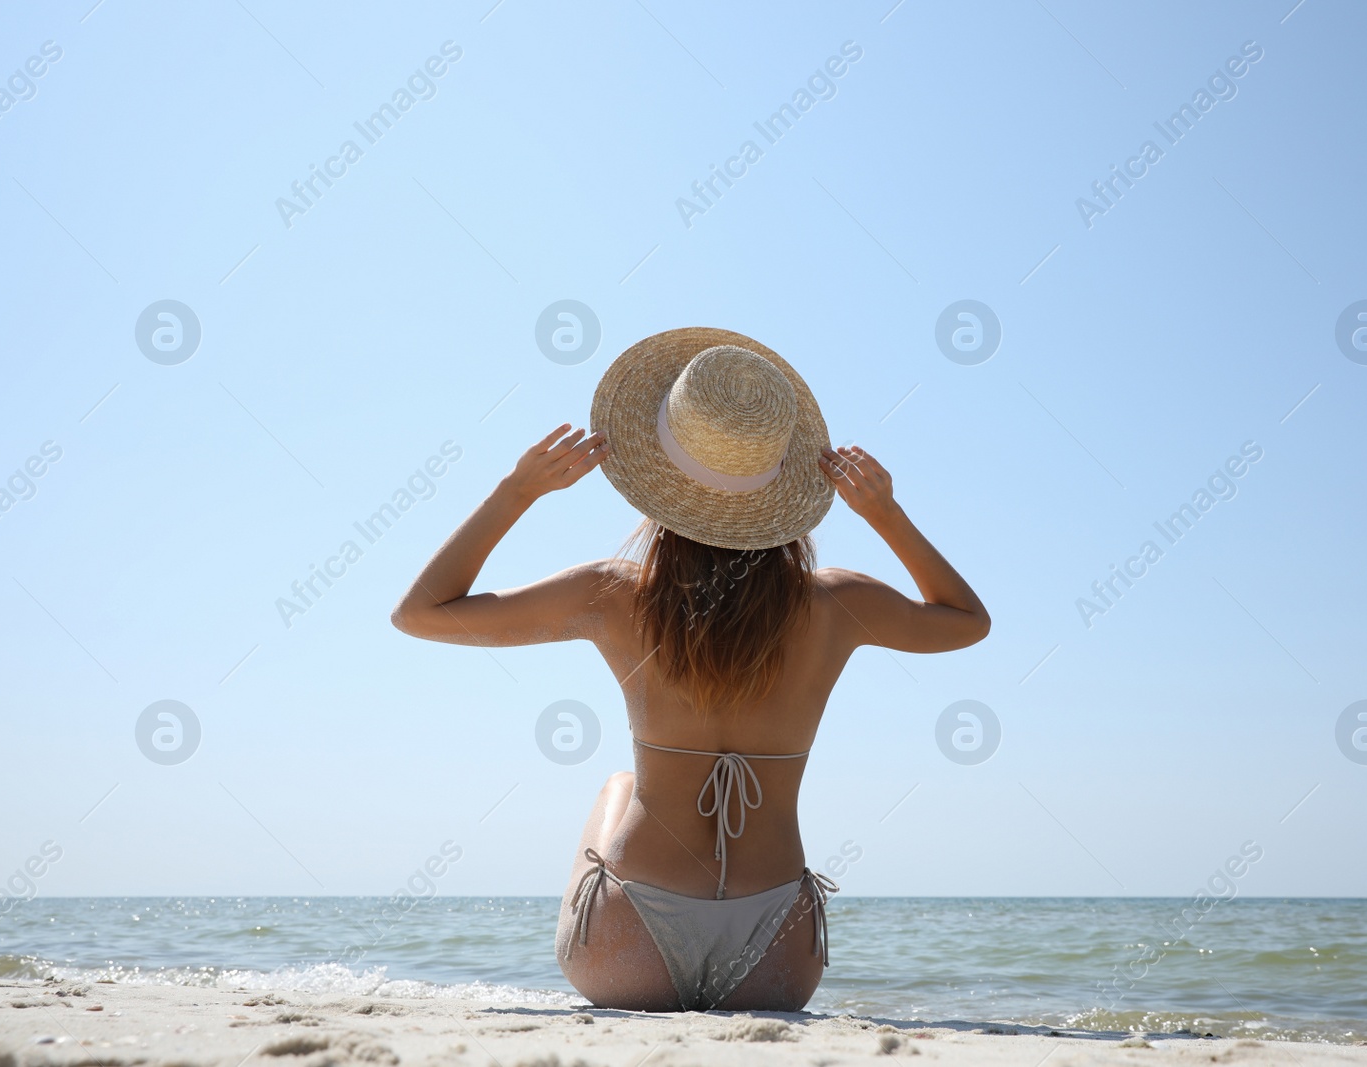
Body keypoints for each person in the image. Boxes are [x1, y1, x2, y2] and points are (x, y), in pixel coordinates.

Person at [392, 327, 989, 1012]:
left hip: (630, 939)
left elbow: (422, 612)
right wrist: (885, 513)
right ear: (782, 495)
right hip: (776, 954)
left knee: (621, 781)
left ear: (660, 490)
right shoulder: (837, 604)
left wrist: (515, 491)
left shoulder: (613, 594)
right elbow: (966, 620)